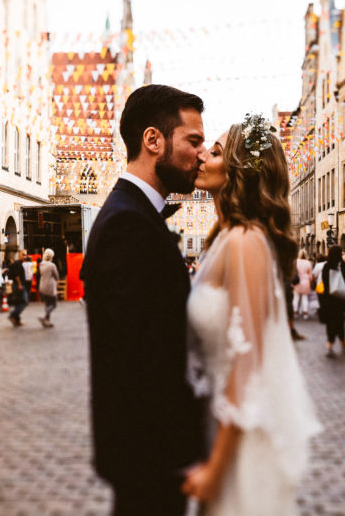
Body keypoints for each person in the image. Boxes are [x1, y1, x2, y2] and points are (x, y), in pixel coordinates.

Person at [182, 113, 320, 513]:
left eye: (217, 151)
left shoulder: (245, 242)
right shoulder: (224, 238)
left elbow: (247, 362)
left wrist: (217, 469)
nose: (203, 155)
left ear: (240, 169)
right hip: (217, 431)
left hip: (239, 447)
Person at [81, 84, 207, 515]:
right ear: (154, 140)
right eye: (193, 140)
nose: (202, 154)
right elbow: (142, 362)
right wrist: (186, 453)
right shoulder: (127, 225)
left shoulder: (132, 215)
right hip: (149, 456)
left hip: (144, 454)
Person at [320, 245, 345, 357]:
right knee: (340, 319)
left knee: (330, 321)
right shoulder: (342, 265)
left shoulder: (326, 266)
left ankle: (329, 345)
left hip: (328, 297)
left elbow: (324, 281)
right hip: (340, 297)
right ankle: (342, 341)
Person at [37, 248, 60, 327]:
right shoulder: (52, 265)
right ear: (52, 256)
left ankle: (47, 321)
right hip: (50, 286)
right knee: (54, 304)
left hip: (42, 285)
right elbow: (56, 276)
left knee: (48, 304)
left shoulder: (41, 264)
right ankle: (44, 315)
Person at [7, 250, 28, 326]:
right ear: (19, 255)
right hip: (18, 286)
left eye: (26, 255)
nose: (25, 256)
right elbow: (16, 275)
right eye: (23, 255)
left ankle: (17, 320)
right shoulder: (17, 264)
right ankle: (12, 315)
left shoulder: (19, 264)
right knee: (24, 302)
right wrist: (19, 284)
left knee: (18, 302)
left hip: (18, 285)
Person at [293, 249, 314, 319]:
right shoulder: (308, 263)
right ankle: (305, 313)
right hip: (306, 281)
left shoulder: (296, 262)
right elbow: (310, 275)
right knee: (305, 298)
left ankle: (295, 312)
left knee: (296, 297)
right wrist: (310, 283)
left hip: (297, 281)